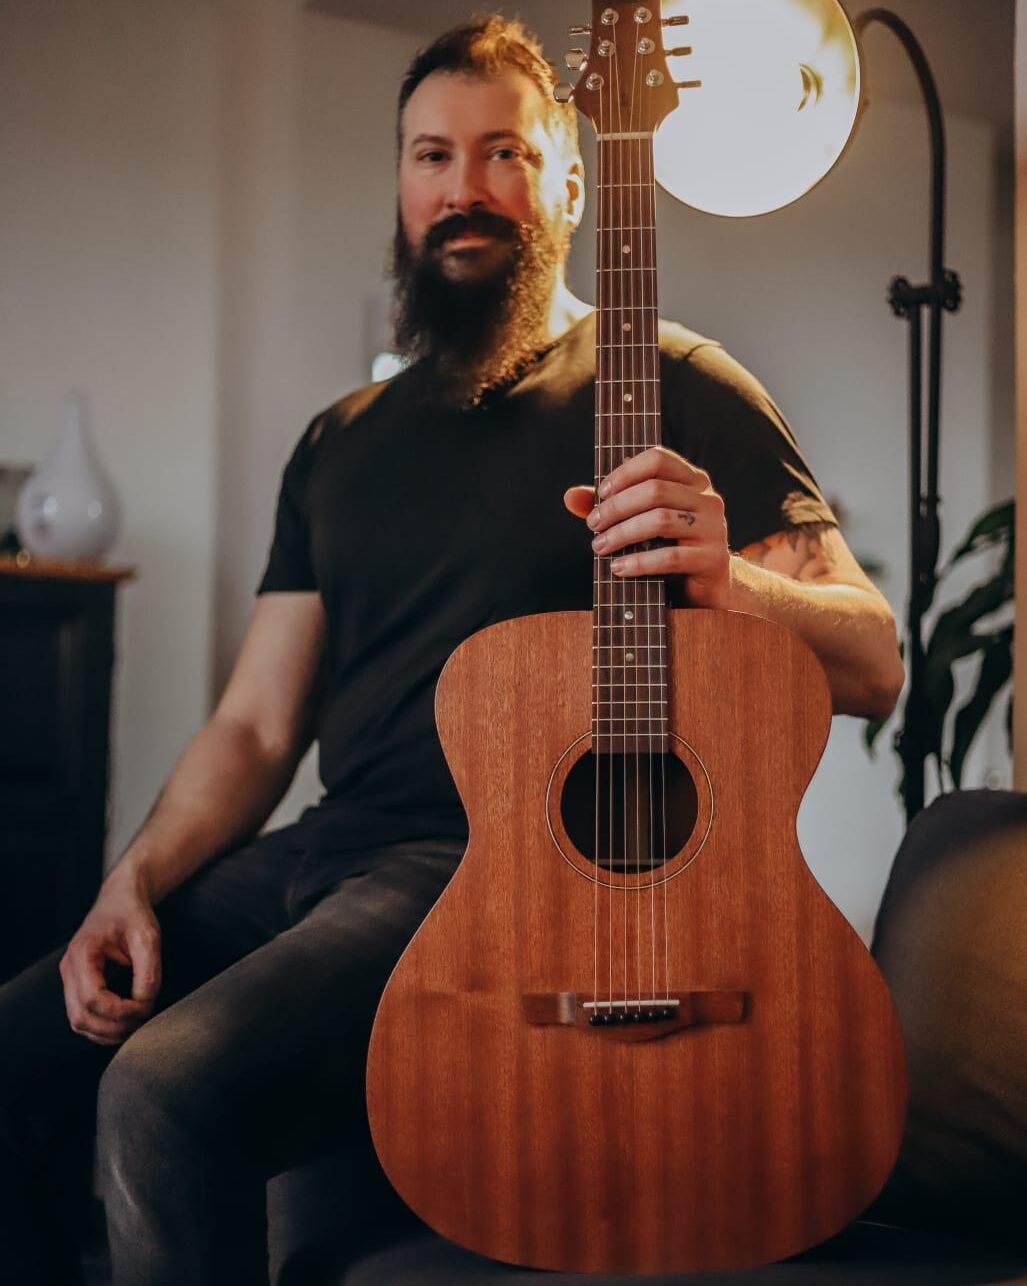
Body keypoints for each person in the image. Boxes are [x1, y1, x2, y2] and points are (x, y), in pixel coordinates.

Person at [0, 16, 904, 1286]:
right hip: (320, 848)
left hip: (490, 867)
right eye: (432, 156)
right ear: (400, 182)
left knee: (160, 1095)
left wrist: (732, 575)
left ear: (574, 179)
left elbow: (872, 662)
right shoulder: (339, 438)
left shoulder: (679, 378)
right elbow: (258, 725)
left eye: (502, 154)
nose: (463, 190)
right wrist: (131, 880)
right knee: (15, 1049)